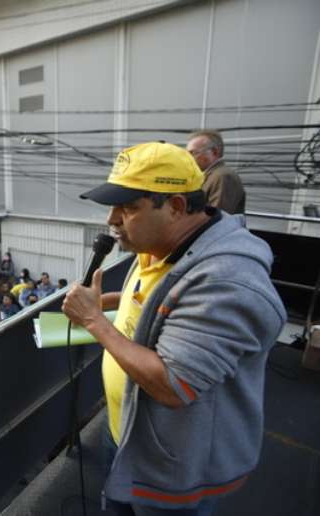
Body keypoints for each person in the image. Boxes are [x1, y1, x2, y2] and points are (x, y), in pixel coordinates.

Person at [64, 141, 286, 515]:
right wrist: (110, 301)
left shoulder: (225, 281)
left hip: (172, 464)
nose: (112, 220)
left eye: (129, 207)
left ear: (177, 207)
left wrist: (93, 321)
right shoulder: (157, 244)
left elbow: (174, 384)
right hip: (128, 430)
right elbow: (158, 299)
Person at [186, 130, 245, 214]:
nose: (189, 158)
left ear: (214, 152)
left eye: (193, 153)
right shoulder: (210, 175)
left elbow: (217, 217)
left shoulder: (223, 177)